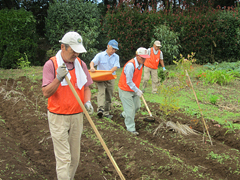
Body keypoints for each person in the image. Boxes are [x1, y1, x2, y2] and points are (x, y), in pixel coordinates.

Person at [42, 31, 93, 180]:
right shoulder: (51, 64)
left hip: (77, 116)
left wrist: (87, 101)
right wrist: (58, 78)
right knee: (64, 159)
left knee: (74, 158)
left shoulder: (81, 64)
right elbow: (46, 93)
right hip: (58, 117)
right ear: (63, 47)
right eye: (73, 50)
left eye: (78, 51)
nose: (76, 54)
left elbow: (86, 87)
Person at [118, 47, 150, 136]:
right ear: (137, 56)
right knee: (130, 110)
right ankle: (130, 128)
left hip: (134, 89)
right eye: (142, 58)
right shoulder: (130, 65)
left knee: (137, 106)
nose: (144, 60)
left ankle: (124, 114)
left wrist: (136, 90)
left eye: (145, 58)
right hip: (125, 89)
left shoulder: (140, 64)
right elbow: (128, 81)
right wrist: (137, 90)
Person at [89, 39, 120, 119]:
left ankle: (106, 112)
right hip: (101, 78)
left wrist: (109, 72)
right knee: (101, 92)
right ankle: (100, 109)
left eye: (115, 49)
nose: (114, 50)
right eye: (112, 48)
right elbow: (92, 62)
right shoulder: (100, 55)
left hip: (111, 78)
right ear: (108, 46)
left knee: (109, 95)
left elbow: (115, 66)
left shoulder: (116, 57)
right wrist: (92, 67)